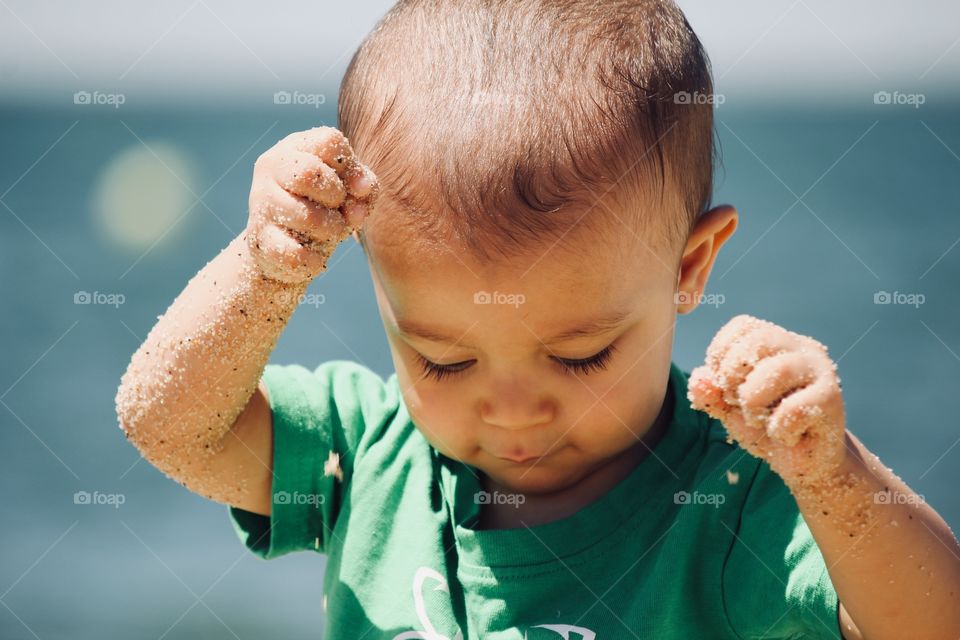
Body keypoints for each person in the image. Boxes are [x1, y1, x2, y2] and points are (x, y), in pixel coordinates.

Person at [115, 1, 960, 638]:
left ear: (689, 267)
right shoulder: (365, 452)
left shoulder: (735, 506)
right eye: (443, 361)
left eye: (582, 355)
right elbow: (170, 425)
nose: (514, 412)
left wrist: (833, 479)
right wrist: (263, 273)